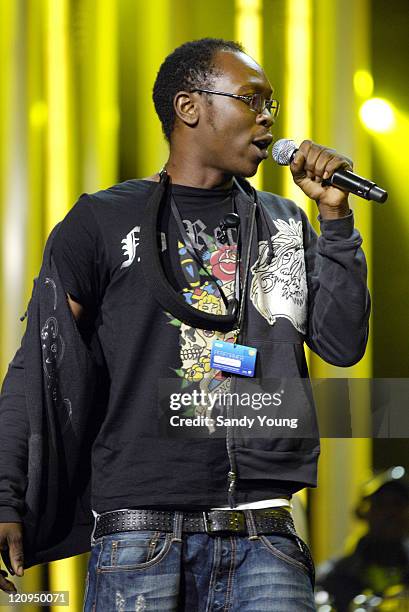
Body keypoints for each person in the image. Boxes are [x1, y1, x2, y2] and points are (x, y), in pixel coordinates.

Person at [0, 38, 370, 611]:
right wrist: (6, 497)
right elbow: (39, 367)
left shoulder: (281, 223)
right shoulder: (102, 220)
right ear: (189, 107)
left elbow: (343, 345)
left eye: (272, 102)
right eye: (252, 99)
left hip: (264, 532)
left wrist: (336, 222)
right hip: (140, 535)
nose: (269, 116)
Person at [317, 468, 409, 611]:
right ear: (364, 512)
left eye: (398, 504)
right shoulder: (334, 576)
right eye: (381, 505)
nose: (391, 514)